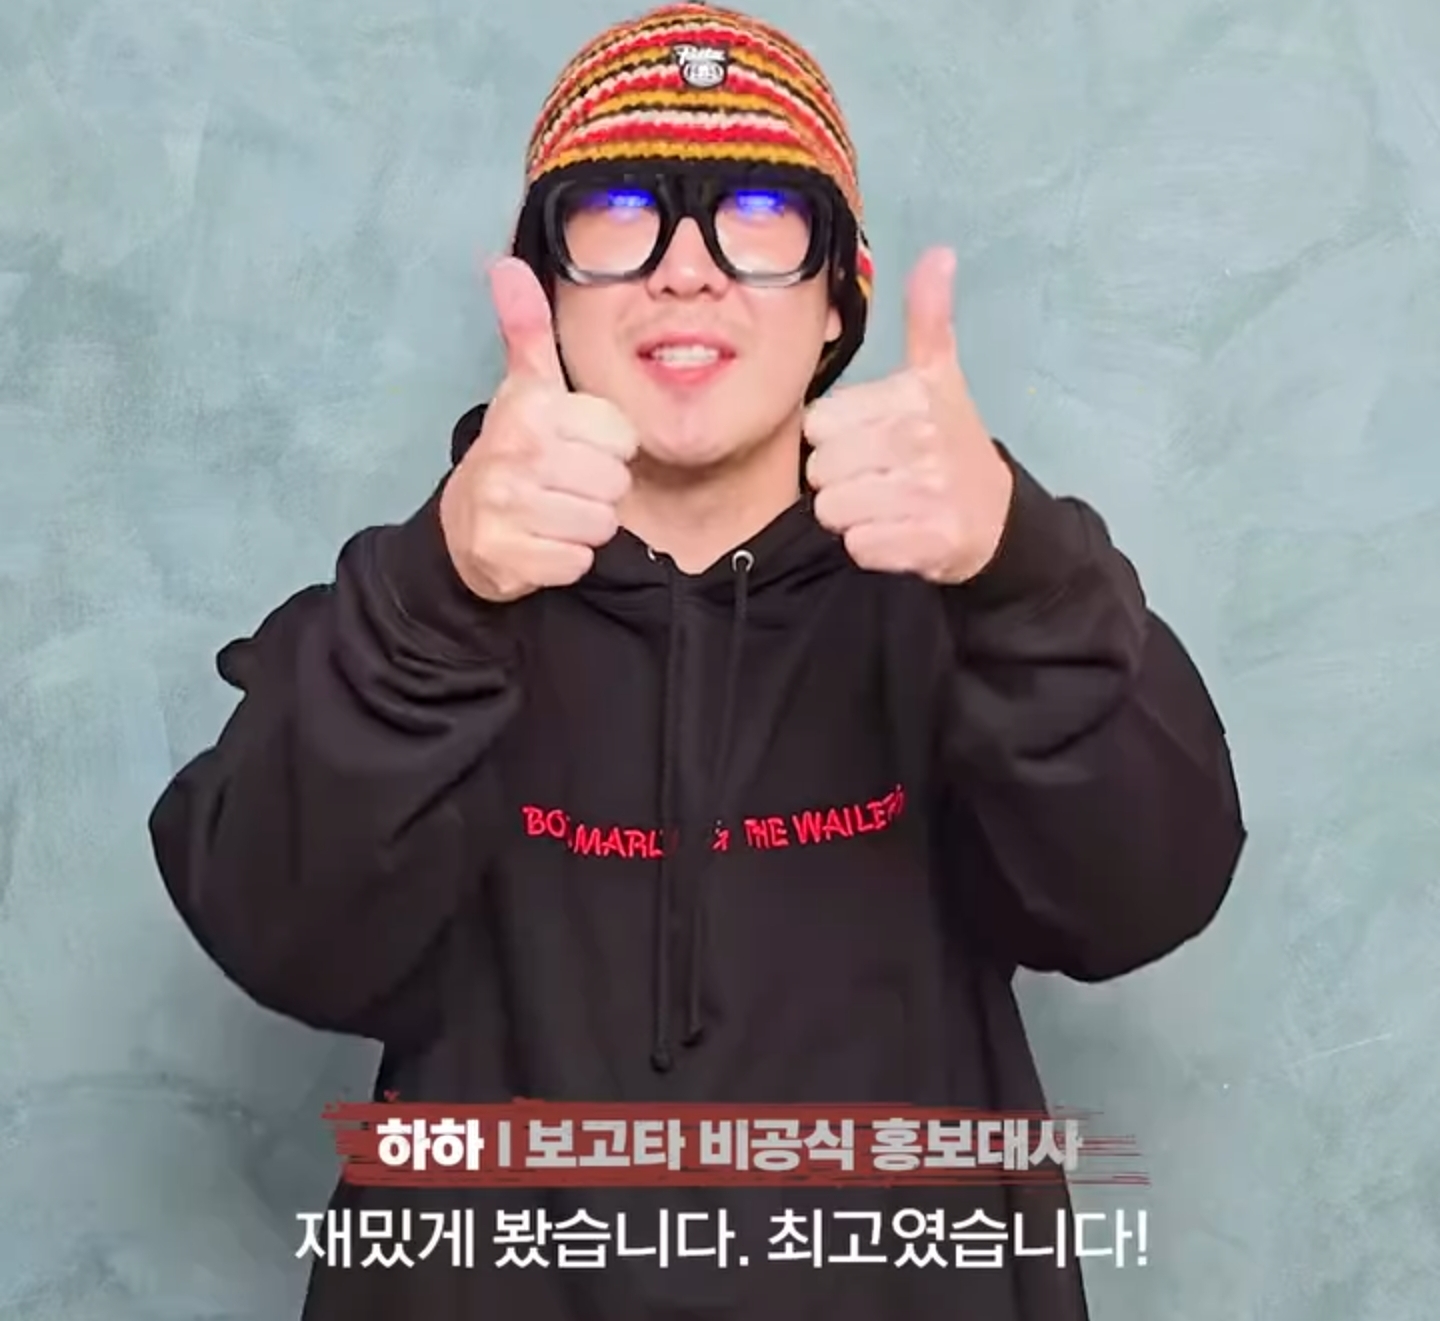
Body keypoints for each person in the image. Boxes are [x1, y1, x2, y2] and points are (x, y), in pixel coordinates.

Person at [149, 3, 1246, 1318]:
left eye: (761, 215)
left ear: (840, 295)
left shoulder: (971, 603)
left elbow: (1146, 893)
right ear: (545, 287)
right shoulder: (413, 614)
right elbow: (278, 933)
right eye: (618, 212)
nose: (687, 271)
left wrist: (1026, 570)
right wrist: (435, 594)